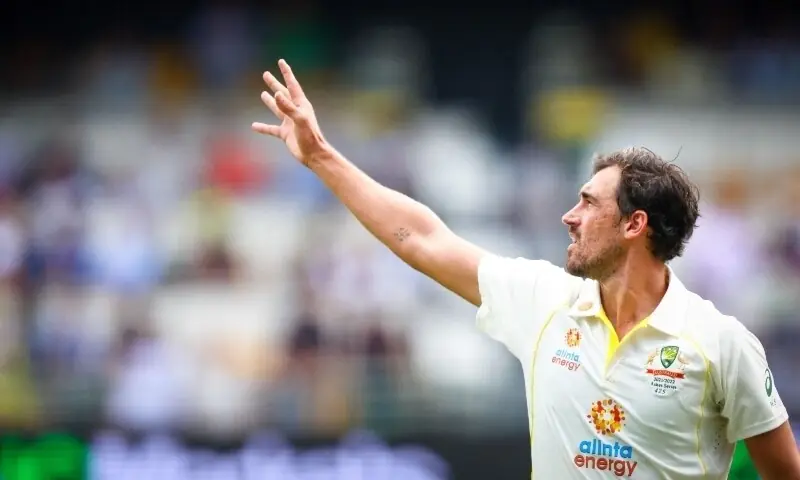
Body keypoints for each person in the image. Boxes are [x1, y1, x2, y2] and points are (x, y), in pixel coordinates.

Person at [252, 59, 800, 479]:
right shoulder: (544, 301)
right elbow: (422, 238)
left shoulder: (722, 344)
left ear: (636, 225)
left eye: (588, 203)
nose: (569, 215)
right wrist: (322, 154)